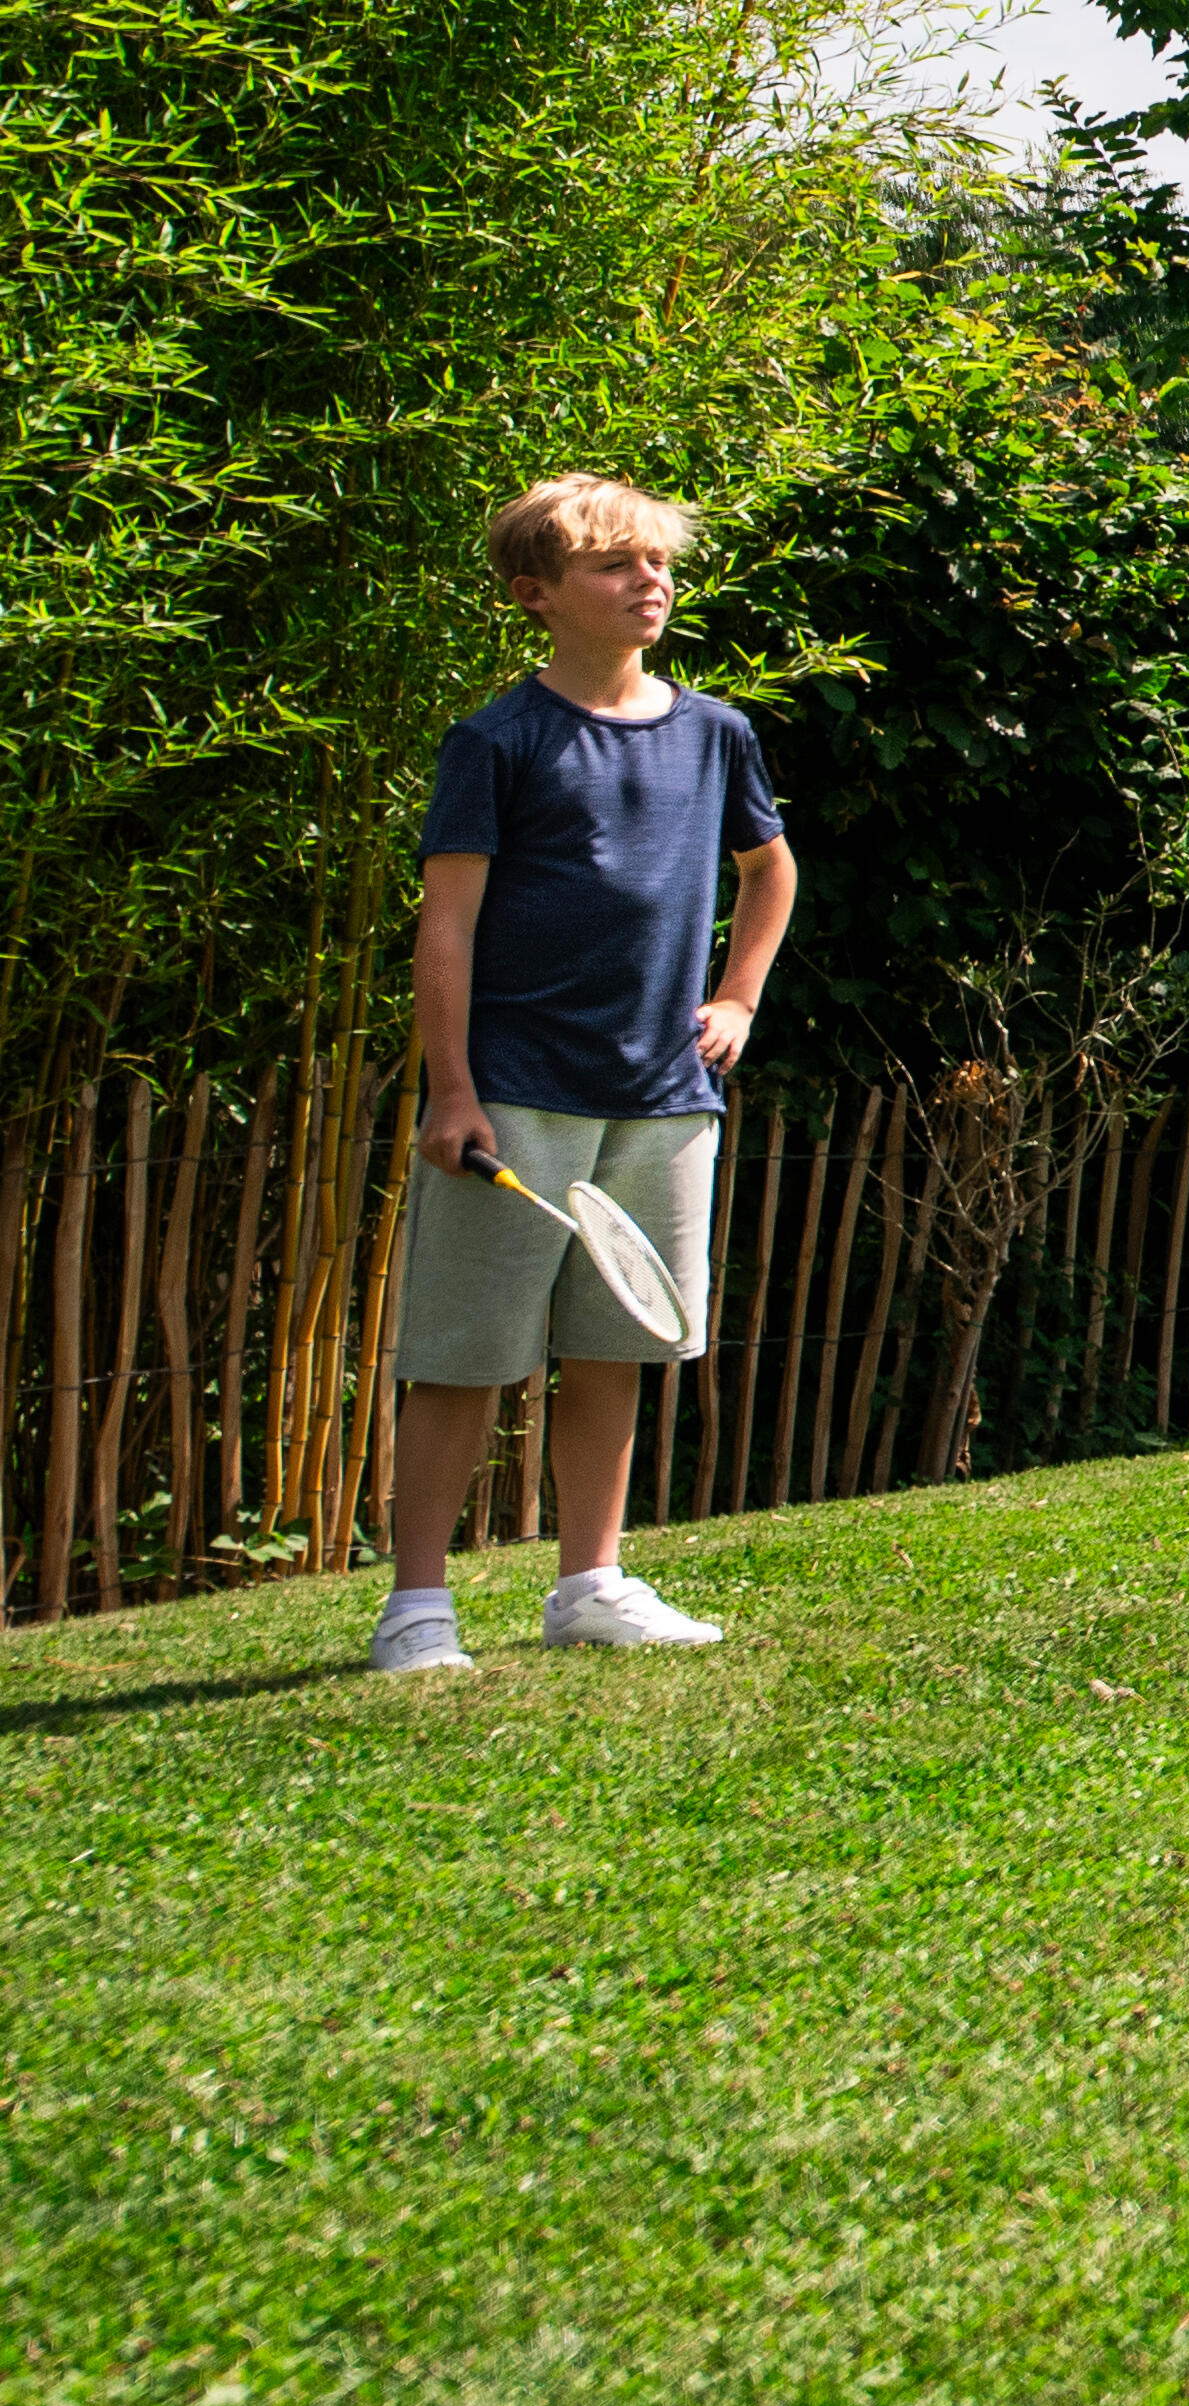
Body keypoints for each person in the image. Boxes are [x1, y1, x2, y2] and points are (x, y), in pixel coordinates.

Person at [382, 475, 795, 1676]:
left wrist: (737, 998)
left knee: (619, 1341)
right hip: (512, 1088)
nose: (649, 581)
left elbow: (770, 871)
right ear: (537, 594)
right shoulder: (497, 739)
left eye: (656, 563)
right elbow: (446, 926)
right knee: (463, 1352)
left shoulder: (715, 730)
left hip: (665, 1093)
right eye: (616, 566)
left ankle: (591, 1582)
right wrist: (451, 1091)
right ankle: (417, 1608)